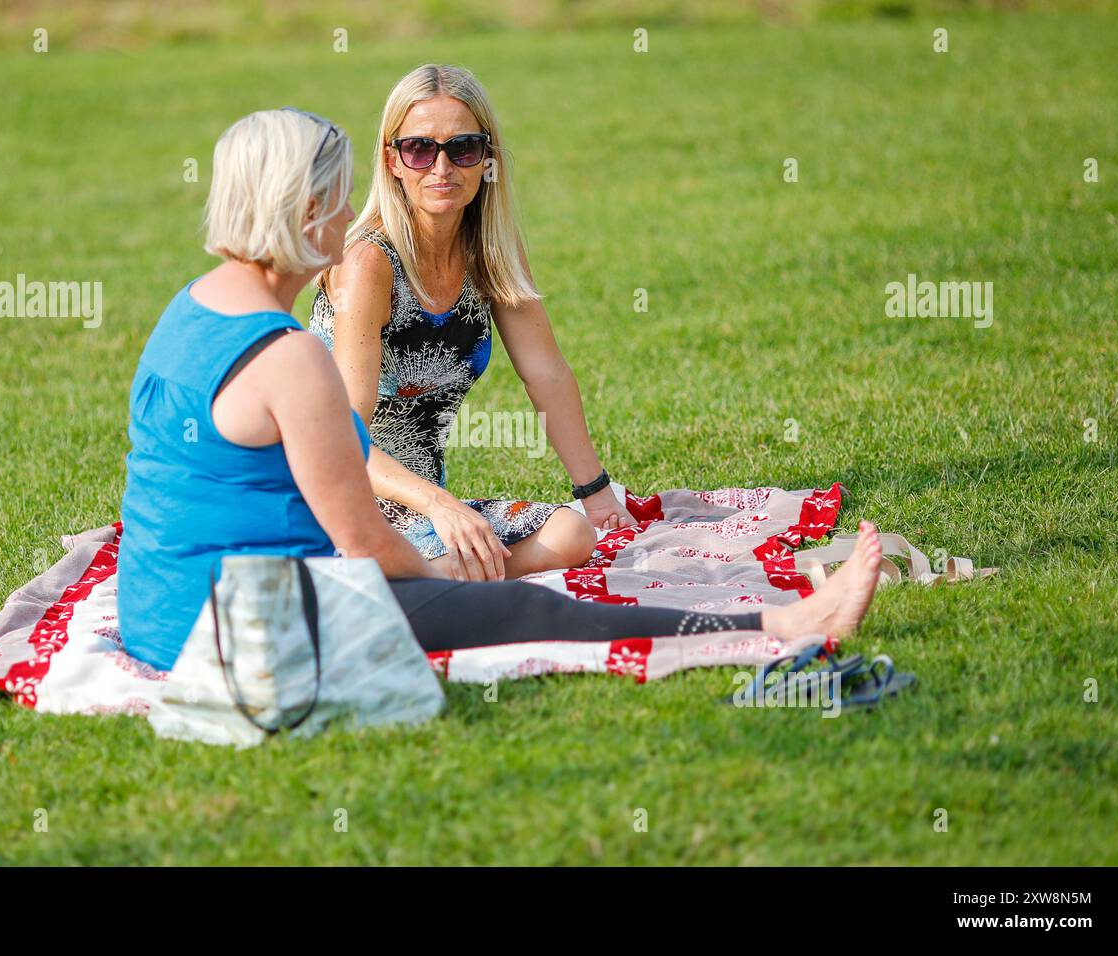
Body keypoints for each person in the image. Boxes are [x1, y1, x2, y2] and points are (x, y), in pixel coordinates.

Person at [117, 107, 884, 673]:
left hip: (160, 616)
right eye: (342, 199)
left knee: (488, 582)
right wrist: (446, 578)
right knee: (521, 607)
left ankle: (776, 619)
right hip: (242, 631)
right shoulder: (293, 359)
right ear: (307, 211)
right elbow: (365, 544)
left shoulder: (189, 306)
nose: (353, 216)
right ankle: (778, 622)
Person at [309, 64, 627, 582]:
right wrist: (440, 504)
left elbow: (545, 372)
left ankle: (432, 578)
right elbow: (344, 437)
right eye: (419, 149)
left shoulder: (492, 251)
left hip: (426, 503)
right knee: (444, 555)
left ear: (487, 159)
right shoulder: (366, 262)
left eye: (462, 149)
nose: (441, 168)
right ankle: (418, 577)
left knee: (572, 535)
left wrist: (597, 494)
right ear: (392, 160)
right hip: (336, 490)